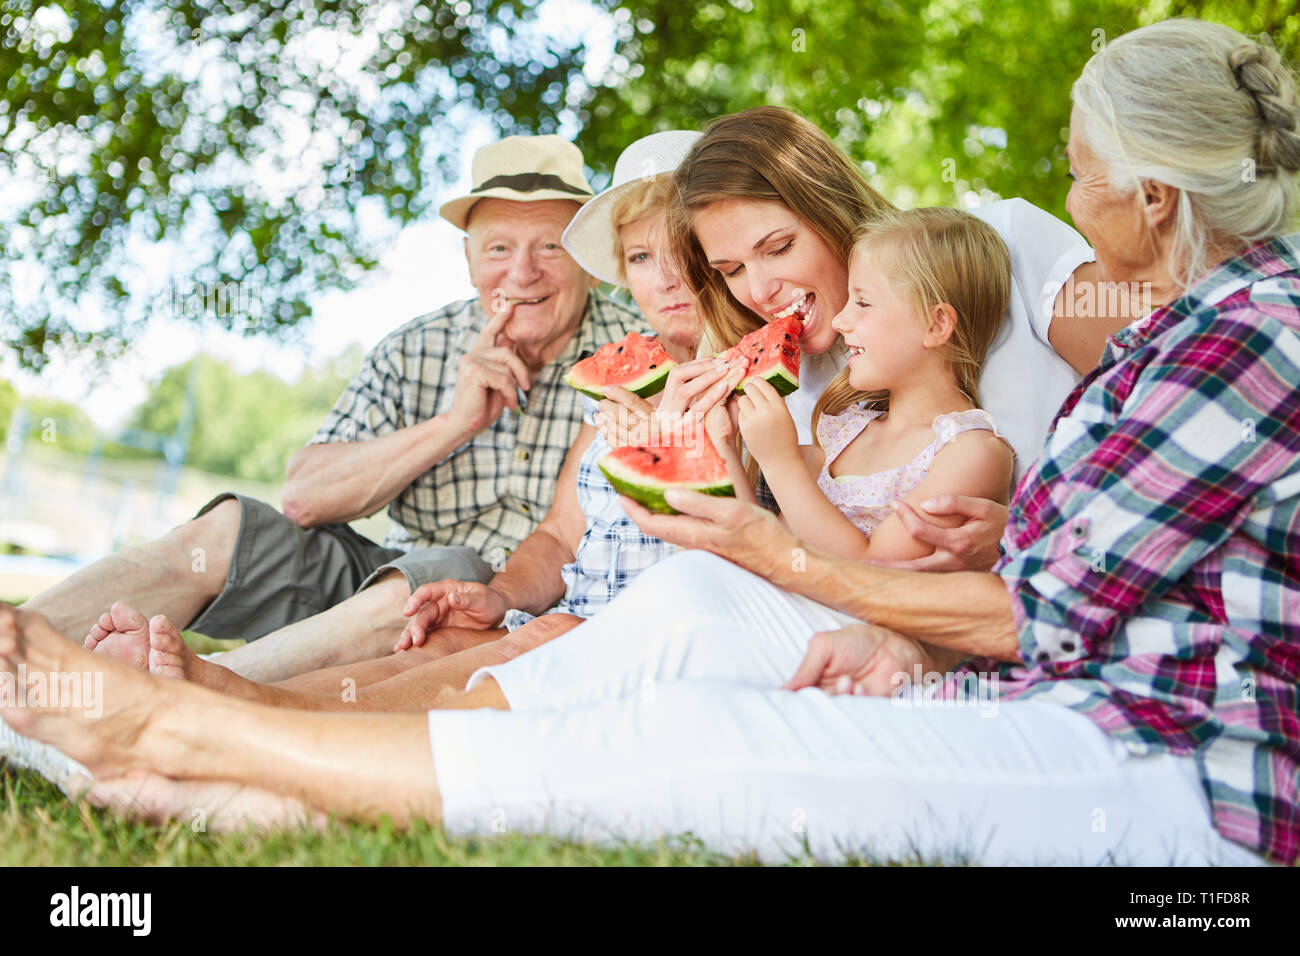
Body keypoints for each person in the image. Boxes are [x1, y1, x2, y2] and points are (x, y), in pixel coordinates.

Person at [2, 18, 1297, 866]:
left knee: (706, 731)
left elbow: (1045, 597)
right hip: (1049, 678)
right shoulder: (1180, 331)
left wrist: (856, 552)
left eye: (1082, 174)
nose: (752, 288)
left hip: (1160, 759)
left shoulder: (1173, 319)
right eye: (715, 264)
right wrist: (970, 554)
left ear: (1151, 196)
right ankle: (240, 733)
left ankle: (187, 734)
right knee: (678, 606)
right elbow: (1078, 550)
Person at [27, 131, 735, 716]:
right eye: (497, 249)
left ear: (587, 263)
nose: (521, 274)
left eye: (548, 246)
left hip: (475, 589)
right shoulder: (416, 345)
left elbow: (564, 534)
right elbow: (305, 496)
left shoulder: (639, 336)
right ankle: (20, 650)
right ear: (467, 262)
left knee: (433, 573)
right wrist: (454, 422)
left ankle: (166, 692)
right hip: (375, 577)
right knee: (226, 529)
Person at [732, 207, 1015, 561]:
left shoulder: (973, 453)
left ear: (936, 324)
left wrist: (781, 461)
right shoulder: (846, 429)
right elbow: (765, 546)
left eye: (862, 302)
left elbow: (873, 571)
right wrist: (723, 440)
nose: (840, 319)